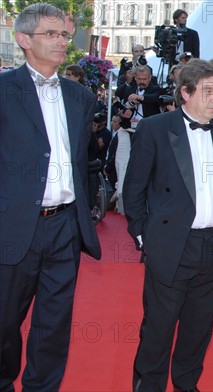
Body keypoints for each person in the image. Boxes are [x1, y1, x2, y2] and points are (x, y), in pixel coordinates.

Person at [123, 59, 213, 391]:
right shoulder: (155, 128)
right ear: (185, 92)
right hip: (171, 247)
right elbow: (133, 189)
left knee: (198, 330)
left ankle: (186, 385)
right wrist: (143, 238)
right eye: (207, 92)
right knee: (158, 330)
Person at [0, 4, 101, 390]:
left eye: (64, 34)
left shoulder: (80, 97)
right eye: (51, 34)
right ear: (24, 40)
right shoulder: (4, 91)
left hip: (64, 226)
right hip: (12, 226)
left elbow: (80, 160)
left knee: (54, 323)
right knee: (5, 320)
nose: (62, 41)